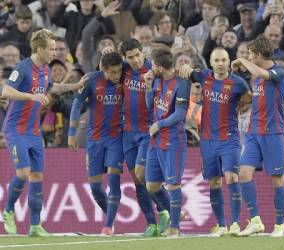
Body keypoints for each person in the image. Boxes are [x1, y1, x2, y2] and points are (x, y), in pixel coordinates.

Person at [2, 28, 86, 237]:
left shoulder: (45, 69)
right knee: (22, 174)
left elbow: (52, 88)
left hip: (33, 131)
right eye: (50, 49)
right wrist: (31, 97)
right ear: (39, 49)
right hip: (16, 130)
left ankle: (35, 225)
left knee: (37, 176)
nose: (54, 53)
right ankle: (9, 211)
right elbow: (6, 91)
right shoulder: (22, 68)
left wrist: (76, 85)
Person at [179, 47, 250, 236]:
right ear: (211, 62)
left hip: (229, 139)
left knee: (232, 177)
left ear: (229, 62)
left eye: (224, 60)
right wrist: (185, 67)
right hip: (208, 140)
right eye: (217, 60)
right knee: (214, 182)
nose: (220, 64)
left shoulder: (238, 83)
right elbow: (187, 71)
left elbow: (249, 99)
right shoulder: (204, 77)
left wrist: (242, 108)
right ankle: (221, 224)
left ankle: (235, 223)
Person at [231, 35, 284, 237]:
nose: (249, 57)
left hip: (274, 133)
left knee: (277, 178)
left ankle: (279, 226)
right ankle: (256, 220)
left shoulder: (280, 71)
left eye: (251, 53)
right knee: (244, 174)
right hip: (253, 133)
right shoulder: (256, 77)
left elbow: (260, 72)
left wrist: (242, 60)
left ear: (260, 54)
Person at [116, 38, 171, 236]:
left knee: (144, 175)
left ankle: (168, 212)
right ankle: (151, 224)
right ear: (125, 57)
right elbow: (106, 68)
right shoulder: (124, 70)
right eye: (130, 57)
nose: (135, 60)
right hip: (128, 132)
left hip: (147, 131)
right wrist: (105, 53)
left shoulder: (153, 70)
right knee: (137, 180)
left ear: (143, 52)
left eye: (138, 55)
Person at [68, 52, 124, 236]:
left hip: (116, 138)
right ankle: (111, 216)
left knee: (114, 179)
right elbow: (76, 105)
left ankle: (108, 226)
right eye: (113, 72)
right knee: (95, 187)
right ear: (104, 69)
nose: (117, 75)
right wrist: (72, 133)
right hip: (95, 140)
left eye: (119, 71)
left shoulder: (125, 80)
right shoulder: (92, 80)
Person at [144, 46, 190, 237]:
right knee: (151, 185)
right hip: (156, 141)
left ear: (160, 67)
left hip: (173, 141)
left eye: (153, 64)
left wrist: (159, 125)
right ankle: (177, 213)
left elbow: (180, 114)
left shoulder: (182, 83)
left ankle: (175, 227)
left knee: (173, 185)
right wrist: (147, 87)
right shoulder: (156, 80)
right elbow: (149, 105)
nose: (151, 67)